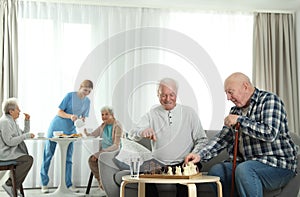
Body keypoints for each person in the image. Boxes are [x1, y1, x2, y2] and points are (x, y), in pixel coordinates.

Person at [185, 72, 298, 197]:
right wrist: (199, 155)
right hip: (247, 164)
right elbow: (222, 139)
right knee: (217, 170)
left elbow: (270, 133)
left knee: (245, 169)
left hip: (277, 165)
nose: (228, 97)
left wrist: (240, 121)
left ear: (245, 86)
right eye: (226, 93)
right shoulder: (235, 110)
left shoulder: (269, 100)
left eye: (230, 92)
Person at [128, 78, 208, 197]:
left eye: (171, 95)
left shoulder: (189, 113)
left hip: (184, 162)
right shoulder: (151, 114)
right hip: (158, 163)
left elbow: (202, 139)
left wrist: (193, 155)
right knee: (144, 173)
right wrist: (142, 132)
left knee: (186, 181)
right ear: (157, 95)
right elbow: (131, 134)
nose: (167, 99)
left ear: (177, 94)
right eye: (163, 95)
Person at [40, 79, 93, 193]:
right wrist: (70, 116)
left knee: (68, 158)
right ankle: (44, 184)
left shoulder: (87, 101)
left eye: (89, 91)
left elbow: (83, 116)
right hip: (56, 127)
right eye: (85, 90)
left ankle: (68, 184)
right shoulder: (70, 96)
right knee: (48, 154)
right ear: (80, 87)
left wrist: (82, 119)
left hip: (70, 130)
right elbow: (59, 112)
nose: (86, 93)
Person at [84, 106, 123, 196]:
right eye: (102, 115)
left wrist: (101, 152)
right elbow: (93, 135)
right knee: (91, 159)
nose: (104, 116)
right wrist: (86, 132)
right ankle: (101, 182)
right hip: (103, 153)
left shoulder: (117, 126)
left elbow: (116, 145)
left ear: (112, 115)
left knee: (100, 158)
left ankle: (105, 184)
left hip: (114, 152)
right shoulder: (103, 125)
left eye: (106, 114)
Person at [0, 98, 35, 197]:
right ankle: (10, 185)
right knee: (28, 160)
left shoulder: (12, 121)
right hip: (5, 153)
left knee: (27, 159)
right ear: (11, 111)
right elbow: (9, 142)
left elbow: (23, 134)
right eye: (18, 109)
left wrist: (27, 121)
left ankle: (13, 186)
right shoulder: (5, 122)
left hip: (12, 152)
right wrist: (25, 136)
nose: (19, 111)